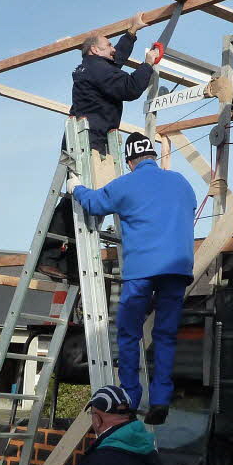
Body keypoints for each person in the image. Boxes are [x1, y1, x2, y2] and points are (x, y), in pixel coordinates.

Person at [70, 133, 196, 425]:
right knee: (165, 336)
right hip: (178, 269)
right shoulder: (180, 181)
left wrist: (75, 186)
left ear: (129, 161)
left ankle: (129, 397)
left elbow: (94, 203)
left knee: (128, 334)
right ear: (152, 155)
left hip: (142, 270)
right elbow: (187, 209)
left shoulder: (127, 184)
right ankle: (161, 400)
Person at [70, 15, 161, 187]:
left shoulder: (91, 67)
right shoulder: (98, 69)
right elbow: (130, 87)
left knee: (79, 196)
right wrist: (148, 64)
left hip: (86, 140)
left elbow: (115, 59)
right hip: (92, 143)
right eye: (109, 45)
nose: (113, 49)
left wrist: (132, 32)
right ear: (95, 50)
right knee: (94, 195)